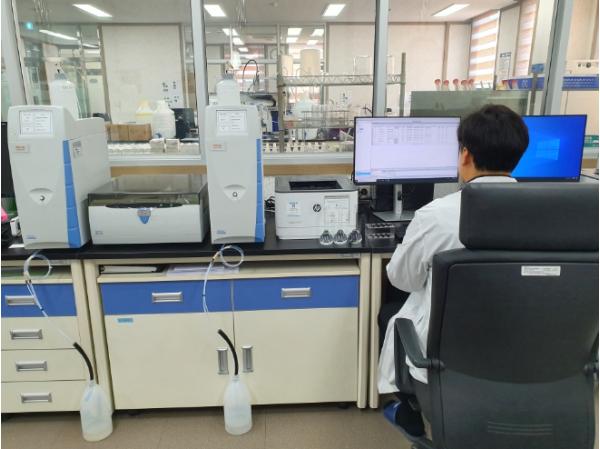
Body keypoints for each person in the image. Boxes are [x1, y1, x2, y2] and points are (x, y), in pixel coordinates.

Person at [378, 104, 529, 437]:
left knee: (390, 313)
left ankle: (410, 408)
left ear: (465, 155)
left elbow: (402, 279)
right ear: (518, 156)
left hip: (447, 360)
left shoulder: (436, 216)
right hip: (528, 353)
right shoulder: (549, 214)